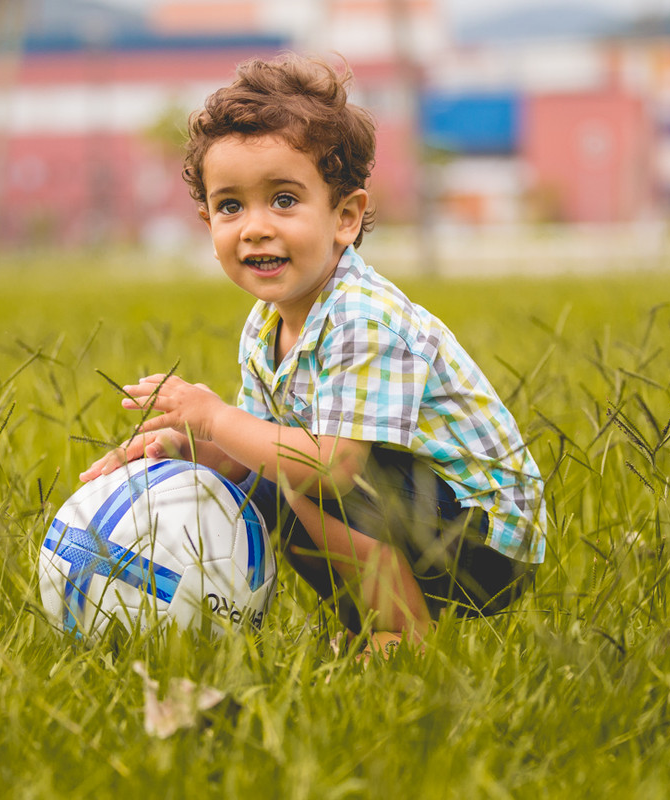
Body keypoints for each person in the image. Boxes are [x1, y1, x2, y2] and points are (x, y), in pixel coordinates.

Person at [79, 53, 545, 656]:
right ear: (206, 221)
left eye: (284, 200)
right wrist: (187, 451)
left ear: (345, 217)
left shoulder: (362, 318)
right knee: (263, 481)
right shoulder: (265, 325)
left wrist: (218, 416)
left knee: (306, 482)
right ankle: (340, 623)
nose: (254, 227)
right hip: (409, 513)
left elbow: (334, 468)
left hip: (486, 543)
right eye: (230, 207)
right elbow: (255, 455)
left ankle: (401, 633)